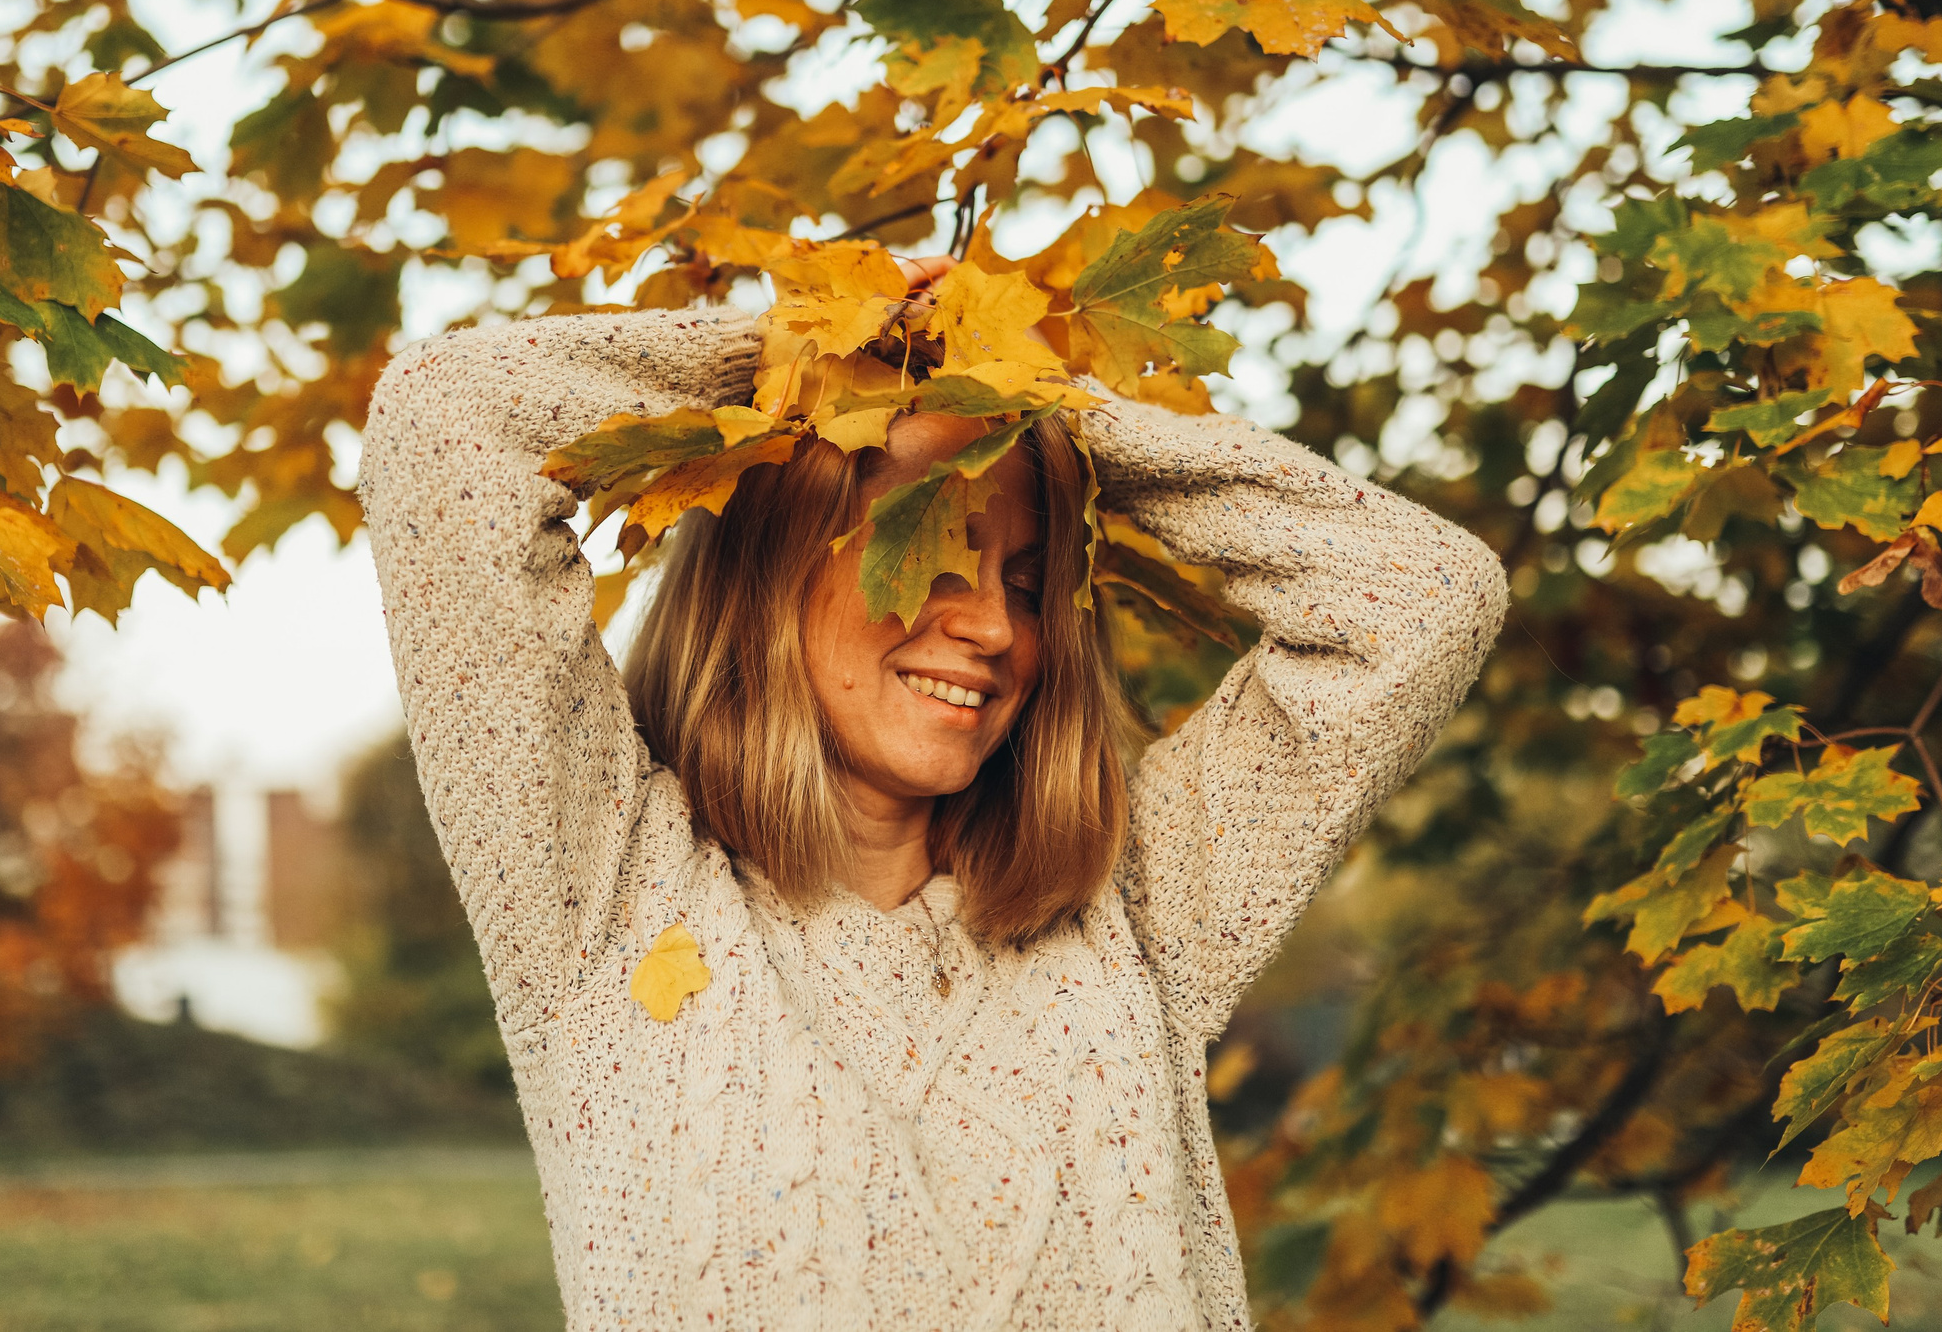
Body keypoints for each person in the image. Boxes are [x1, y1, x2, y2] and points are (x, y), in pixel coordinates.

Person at [357, 255, 1507, 1330]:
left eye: (1028, 582)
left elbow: (1424, 598)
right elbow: (448, 422)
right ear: (771, 566)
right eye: (937, 548)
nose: (995, 627)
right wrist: (822, 358)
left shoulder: (1134, 912)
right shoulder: (601, 895)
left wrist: (1040, 408)